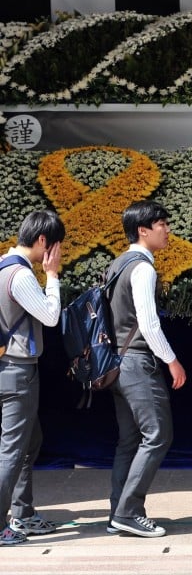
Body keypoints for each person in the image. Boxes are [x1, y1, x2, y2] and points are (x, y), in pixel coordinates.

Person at [106, 201, 187, 538]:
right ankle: (128, 511)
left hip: (115, 363)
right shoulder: (142, 268)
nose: (167, 229)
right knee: (157, 436)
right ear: (143, 229)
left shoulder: (116, 264)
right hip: (137, 362)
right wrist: (171, 360)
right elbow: (148, 323)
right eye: (162, 224)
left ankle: (118, 512)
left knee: (130, 440)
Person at [0, 211, 63, 545]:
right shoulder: (20, 275)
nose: (58, 254)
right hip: (16, 370)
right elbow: (50, 316)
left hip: (7, 368)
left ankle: (22, 513)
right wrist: (51, 275)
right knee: (11, 450)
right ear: (43, 242)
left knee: (28, 442)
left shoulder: (2, 264)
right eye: (57, 247)